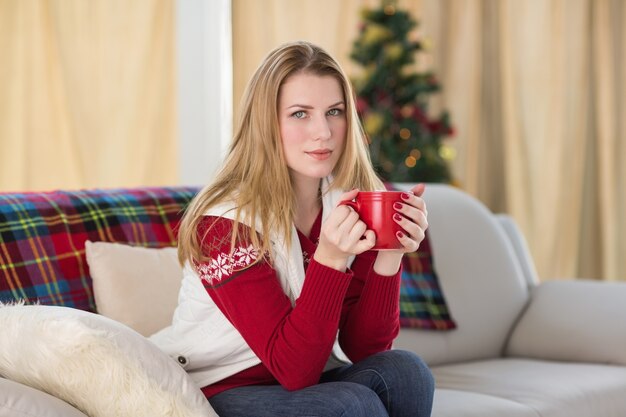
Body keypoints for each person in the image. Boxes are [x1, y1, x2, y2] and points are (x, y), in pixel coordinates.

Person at [150, 40, 434, 417]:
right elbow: (294, 369)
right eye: (300, 114)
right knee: (351, 404)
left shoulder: (350, 202)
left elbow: (364, 349)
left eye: (334, 112)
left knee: (408, 372)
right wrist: (330, 259)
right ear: (266, 123)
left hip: (311, 376)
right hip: (221, 386)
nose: (324, 132)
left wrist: (390, 254)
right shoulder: (222, 224)